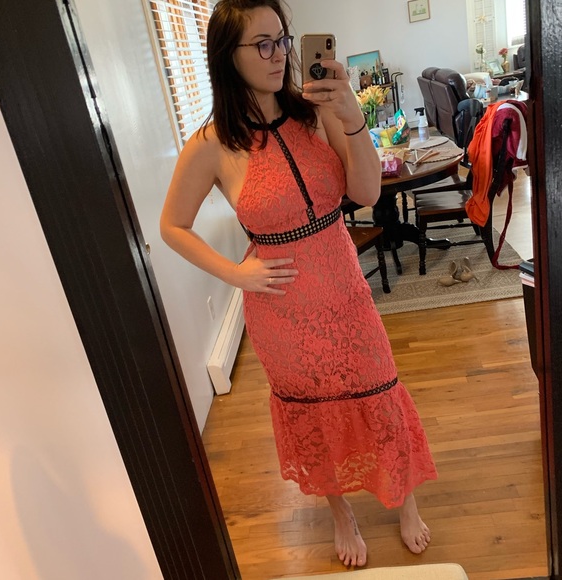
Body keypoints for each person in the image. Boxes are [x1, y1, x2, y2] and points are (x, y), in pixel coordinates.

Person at [160, 0, 437, 567]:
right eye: (262, 44)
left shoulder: (316, 110)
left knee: (381, 394)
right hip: (282, 311)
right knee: (312, 412)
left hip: (344, 289)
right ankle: (341, 514)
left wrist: (352, 117)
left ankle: (404, 500)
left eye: (282, 39)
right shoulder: (211, 144)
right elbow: (172, 226)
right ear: (227, 56)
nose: (278, 54)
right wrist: (234, 273)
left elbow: (366, 192)